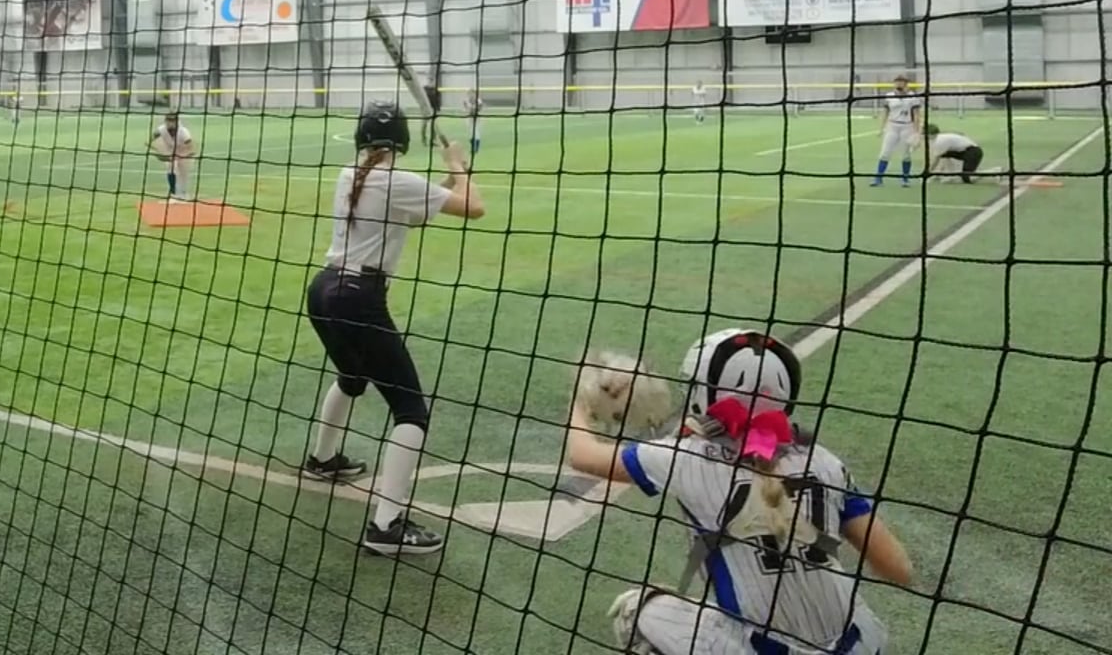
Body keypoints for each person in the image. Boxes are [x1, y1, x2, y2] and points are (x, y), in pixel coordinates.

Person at [564, 329, 912, 654]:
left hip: (767, 650)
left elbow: (582, 455)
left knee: (639, 608)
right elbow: (898, 568)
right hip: (860, 644)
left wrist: (582, 399)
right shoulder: (824, 461)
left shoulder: (684, 459)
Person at [300, 101, 485, 556]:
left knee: (352, 376)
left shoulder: (351, 175)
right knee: (411, 411)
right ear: (401, 140)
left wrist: (452, 178)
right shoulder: (398, 182)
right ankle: (385, 526)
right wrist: (458, 166)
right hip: (359, 299)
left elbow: (419, 211)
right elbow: (475, 208)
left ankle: (323, 459)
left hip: (323, 292)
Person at [871, 74, 923, 187]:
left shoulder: (912, 97)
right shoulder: (889, 96)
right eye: (897, 82)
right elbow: (885, 112)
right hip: (892, 126)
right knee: (885, 153)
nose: (898, 84)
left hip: (907, 126)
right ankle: (878, 178)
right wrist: (881, 128)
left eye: (901, 81)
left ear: (906, 83)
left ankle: (905, 179)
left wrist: (917, 132)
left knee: (906, 154)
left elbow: (916, 115)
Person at [148, 112, 196, 200]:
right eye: (168, 120)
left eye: (173, 120)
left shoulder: (183, 132)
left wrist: (184, 155)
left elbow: (191, 147)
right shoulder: (161, 130)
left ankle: (183, 193)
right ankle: (173, 193)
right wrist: (158, 151)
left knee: (183, 174)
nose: (170, 122)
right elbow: (149, 141)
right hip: (171, 152)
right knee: (171, 168)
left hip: (184, 152)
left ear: (177, 121)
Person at [462, 89, 485, 156]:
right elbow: (465, 109)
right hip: (469, 118)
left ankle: (476, 149)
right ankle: (472, 148)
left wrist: (472, 108)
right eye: (469, 93)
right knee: (471, 133)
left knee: (476, 132)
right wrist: (469, 109)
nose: (471, 95)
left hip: (477, 118)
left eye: (472, 93)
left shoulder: (478, 100)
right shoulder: (466, 101)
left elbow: (479, 108)